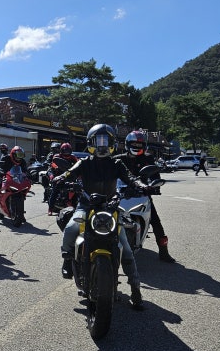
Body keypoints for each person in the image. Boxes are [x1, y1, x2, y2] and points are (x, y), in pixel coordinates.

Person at [53, 124, 150, 310]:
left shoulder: (117, 164)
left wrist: (141, 185)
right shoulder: (85, 162)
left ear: (112, 143)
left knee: (126, 249)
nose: (102, 145)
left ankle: (136, 290)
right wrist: (61, 178)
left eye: (106, 141)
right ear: (91, 142)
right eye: (99, 140)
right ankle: (67, 258)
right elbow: (70, 172)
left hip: (110, 207)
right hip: (86, 205)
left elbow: (130, 177)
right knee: (72, 228)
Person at [115, 130, 176, 263]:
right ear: (127, 144)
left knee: (156, 222)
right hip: (121, 194)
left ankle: (164, 252)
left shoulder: (147, 158)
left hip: (142, 193)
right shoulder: (118, 159)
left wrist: (154, 186)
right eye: (134, 144)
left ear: (144, 145)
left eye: (139, 144)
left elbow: (154, 175)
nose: (137, 147)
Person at [47, 143, 79, 215]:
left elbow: (78, 163)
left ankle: (71, 202)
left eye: (68, 151)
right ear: (61, 150)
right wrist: (56, 167)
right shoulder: (57, 156)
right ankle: (50, 209)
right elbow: (53, 163)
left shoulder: (72, 157)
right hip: (59, 175)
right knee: (55, 191)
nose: (66, 152)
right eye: (65, 151)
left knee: (76, 187)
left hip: (69, 175)